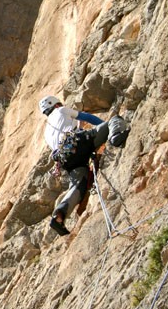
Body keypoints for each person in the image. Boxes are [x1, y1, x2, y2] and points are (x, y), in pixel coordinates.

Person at [38, 95, 130, 236]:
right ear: (56, 105)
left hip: (67, 160)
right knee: (114, 120)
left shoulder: (46, 133)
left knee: (77, 186)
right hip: (80, 142)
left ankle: (60, 214)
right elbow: (87, 117)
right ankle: (115, 135)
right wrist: (104, 128)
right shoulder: (61, 110)